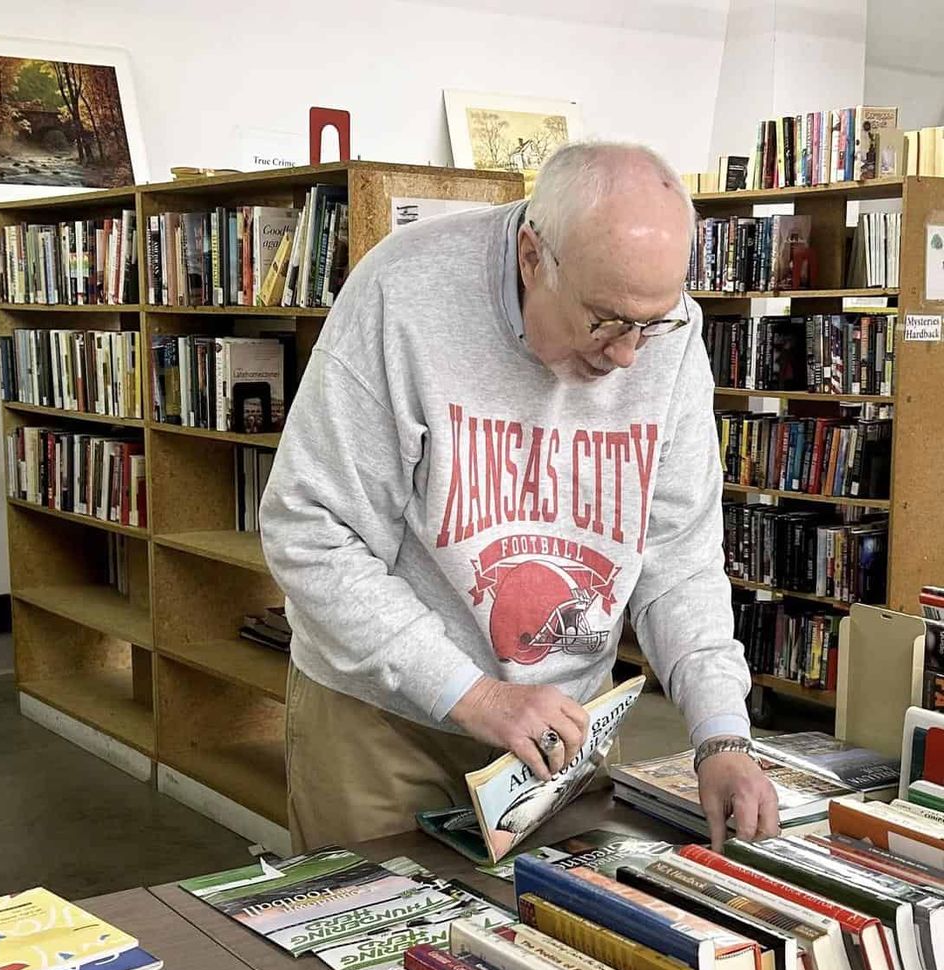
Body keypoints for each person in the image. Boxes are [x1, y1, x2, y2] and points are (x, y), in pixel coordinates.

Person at [261, 141, 779, 853]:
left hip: (563, 724)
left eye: (651, 325)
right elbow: (309, 530)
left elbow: (679, 562)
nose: (630, 354)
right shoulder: (403, 293)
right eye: (605, 319)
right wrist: (477, 696)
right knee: (374, 959)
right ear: (534, 256)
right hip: (385, 718)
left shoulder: (668, 330)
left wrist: (722, 733)